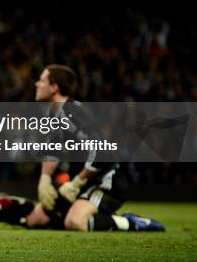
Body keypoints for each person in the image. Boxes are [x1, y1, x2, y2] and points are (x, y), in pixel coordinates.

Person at [27, 65, 164, 232]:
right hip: (82, 182)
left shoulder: (73, 113)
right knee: (36, 219)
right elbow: (52, 151)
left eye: (42, 80)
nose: (37, 84)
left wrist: (76, 183)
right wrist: (45, 179)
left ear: (54, 87)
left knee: (75, 222)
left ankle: (131, 223)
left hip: (105, 181)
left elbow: (101, 151)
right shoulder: (54, 114)